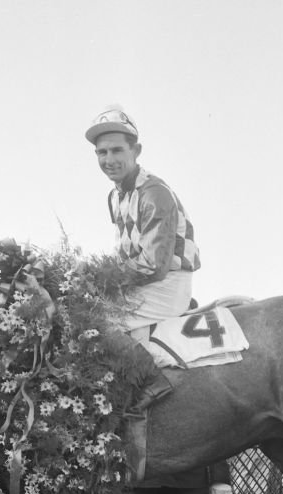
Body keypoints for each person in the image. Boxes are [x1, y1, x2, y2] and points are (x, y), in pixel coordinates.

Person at [85, 105, 201, 412]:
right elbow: (125, 253)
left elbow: (153, 265)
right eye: (102, 153)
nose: (109, 160)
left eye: (117, 150)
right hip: (143, 282)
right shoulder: (115, 196)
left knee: (95, 322)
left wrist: (100, 277)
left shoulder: (153, 192)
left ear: (136, 151)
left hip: (166, 282)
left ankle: (152, 381)